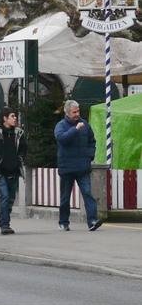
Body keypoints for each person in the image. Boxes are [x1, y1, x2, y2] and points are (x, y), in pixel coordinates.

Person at [54, 99, 102, 232]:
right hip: (67, 167)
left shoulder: (85, 124)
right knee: (65, 197)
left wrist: (90, 156)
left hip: (82, 167)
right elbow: (62, 139)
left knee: (87, 193)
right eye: (74, 112)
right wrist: (75, 129)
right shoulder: (61, 125)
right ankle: (63, 222)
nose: (77, 114)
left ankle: (92, 220)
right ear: (67, 113)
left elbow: (92, 141)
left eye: (78, 111)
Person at [0, 106, 27, 235]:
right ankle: (4, 225)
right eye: (12, 116)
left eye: (15, 116)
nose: (15, 119)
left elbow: (24, 149)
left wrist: (20, 159)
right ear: (5, 118)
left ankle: (6, 220)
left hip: (14, 170)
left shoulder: (18, 133)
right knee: (5, 196)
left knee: (11, 198)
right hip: (0, 171)